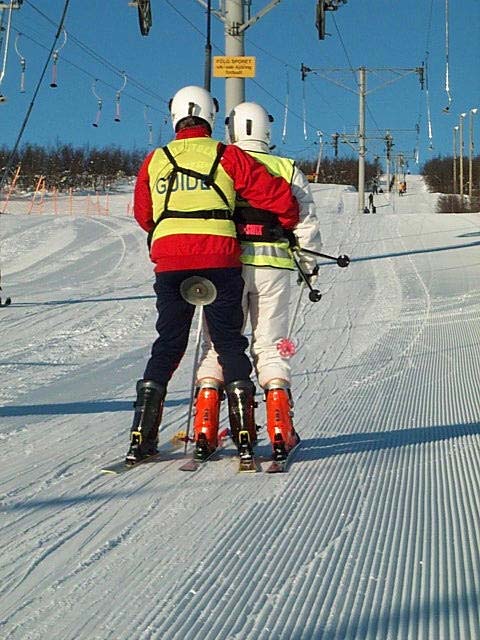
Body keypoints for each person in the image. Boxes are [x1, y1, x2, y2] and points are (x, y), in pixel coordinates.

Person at [126, 87, 299, 464]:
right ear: (210, 117)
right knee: (228, 343)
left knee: (168, 343)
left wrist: (169, 232)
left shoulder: (156, 159)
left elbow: (143, 214)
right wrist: (287, 222)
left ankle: (142, 434)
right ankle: (242, 431)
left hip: (170, 261)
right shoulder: (226, 154)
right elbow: (272, 194)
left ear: (175, 117)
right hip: (220, 258)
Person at [195, 102, 322, 463]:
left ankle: (205, 425)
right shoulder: (287, 168)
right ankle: (281, 426)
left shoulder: (222, 163)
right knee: (271, 344)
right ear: (267, 129)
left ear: (232, 129)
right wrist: (308, 267)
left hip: (227, 265)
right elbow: (306, 223)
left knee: (218, 343)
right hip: (275, 266)